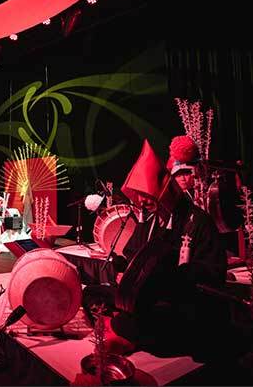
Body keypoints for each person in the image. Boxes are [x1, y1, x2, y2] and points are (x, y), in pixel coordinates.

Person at [85, 140, 228, 360]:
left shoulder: (199, 221)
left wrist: (170, 277)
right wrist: (124, 269)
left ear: (163, 191)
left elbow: (213, 273)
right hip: (140, 298)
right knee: (91, 294)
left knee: (155, 318)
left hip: (174, 302)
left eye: (147, 194)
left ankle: (123, 329)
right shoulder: (151, 220)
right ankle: (123, 327)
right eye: (139, 195)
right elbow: (132, 254)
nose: (142, 201)